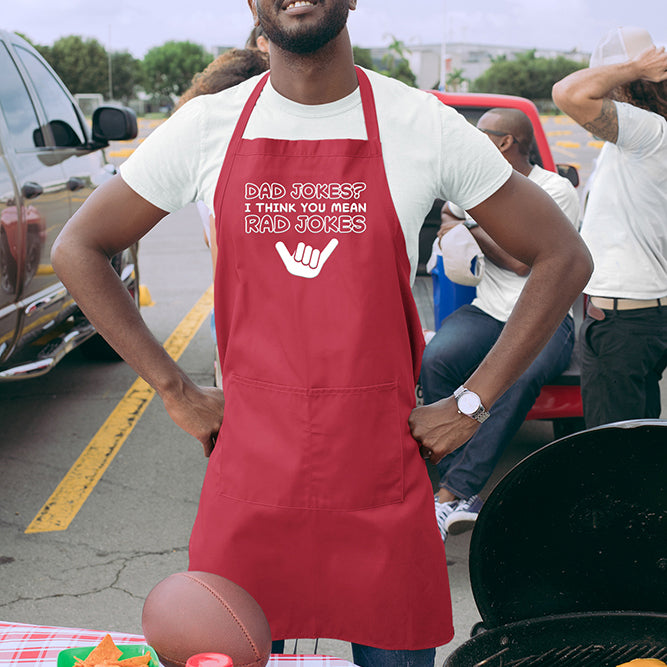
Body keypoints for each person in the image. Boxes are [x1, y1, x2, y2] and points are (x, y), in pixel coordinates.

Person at [51, 1, 592, 665]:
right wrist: (174, 387)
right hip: (250, 472)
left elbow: (562, 257)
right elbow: (79, 248)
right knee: (233, 653)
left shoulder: (419, 122)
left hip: (381, 472)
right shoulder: (206, 126)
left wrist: (472, 401)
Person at [420, 108, 580, 540]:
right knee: (436, 357)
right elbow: (446, 221)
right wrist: (463, 223)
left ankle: (456, 491)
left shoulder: (555, 189)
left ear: (506, 141)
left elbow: (521, 261)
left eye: (482, 133)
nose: (475, 138)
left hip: (544, 318)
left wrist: (468, 224)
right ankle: (450, 476)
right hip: (488, 311)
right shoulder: (472, 184)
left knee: (517, 376)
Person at [552, 27, 667, 429]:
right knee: (642, 436)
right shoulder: (653, 136)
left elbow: (568, 93)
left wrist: (634, 67)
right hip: (645, 317)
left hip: (625, 323)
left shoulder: (646, 134)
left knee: (611, 453)